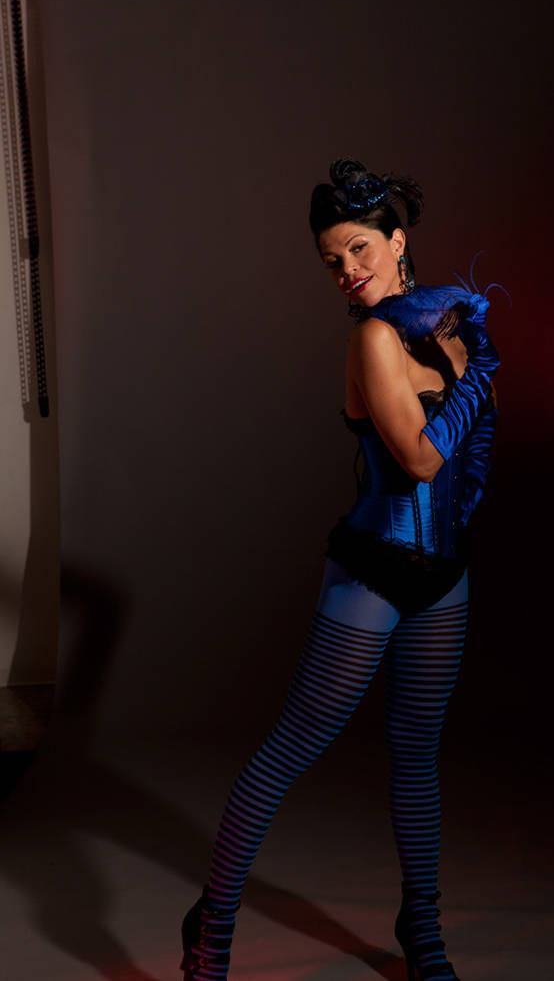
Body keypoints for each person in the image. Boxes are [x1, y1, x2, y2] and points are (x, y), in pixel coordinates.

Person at [180, 158, 500, 981]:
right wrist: (480, 372)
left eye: (358, 249)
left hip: (445, 574)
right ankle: (211, 928)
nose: (347, 272)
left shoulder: (446, 326)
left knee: (417, 752)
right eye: (331, 261)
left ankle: (420, 929)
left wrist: (474, 363)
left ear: (397, 242)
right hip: (373, 570)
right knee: (292, 746)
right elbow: (420, 461)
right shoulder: (373, 338)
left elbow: (474, 449)